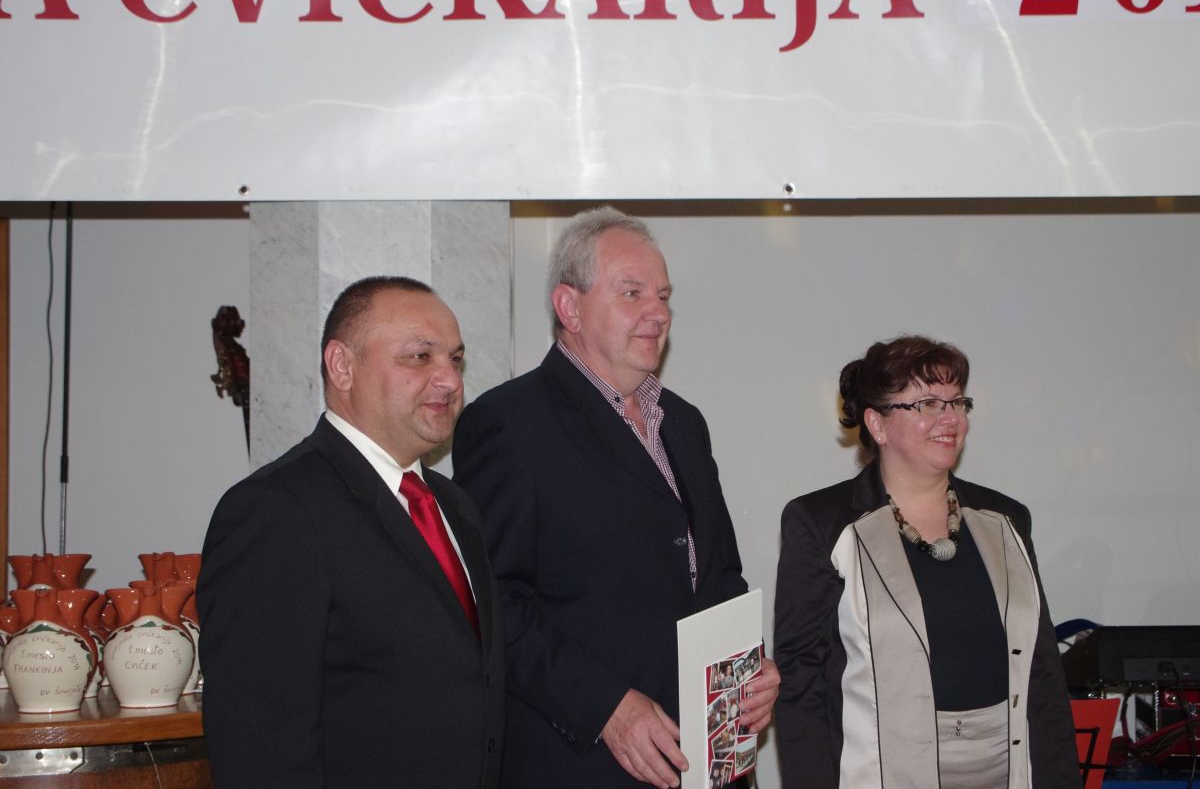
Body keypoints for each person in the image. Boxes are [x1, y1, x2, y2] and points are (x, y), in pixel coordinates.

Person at [451, 207, 780, 789]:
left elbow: (719, 575)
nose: (659, 312)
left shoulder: (683, 423)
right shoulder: (508, 424)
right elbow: (494, 603)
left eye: (663, 296)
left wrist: (748, 668)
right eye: (632, 293)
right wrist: (606, 707)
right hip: (585, 766)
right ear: (569, 307)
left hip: (710, 762)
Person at [198, 276, 504, 789]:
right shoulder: (275, 511)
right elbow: (260, 748)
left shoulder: (455, 506)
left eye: (455, 359)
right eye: (419, 357)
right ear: (342, 366)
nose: (450, 380)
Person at [773, 335, 1079, 789]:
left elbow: (1042, 669)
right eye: (928, 404)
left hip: (1009, 772)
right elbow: (802, 683)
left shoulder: (1006, 519)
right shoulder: (822, 523)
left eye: (958, 402)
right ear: (877, 424)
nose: (951, 418)